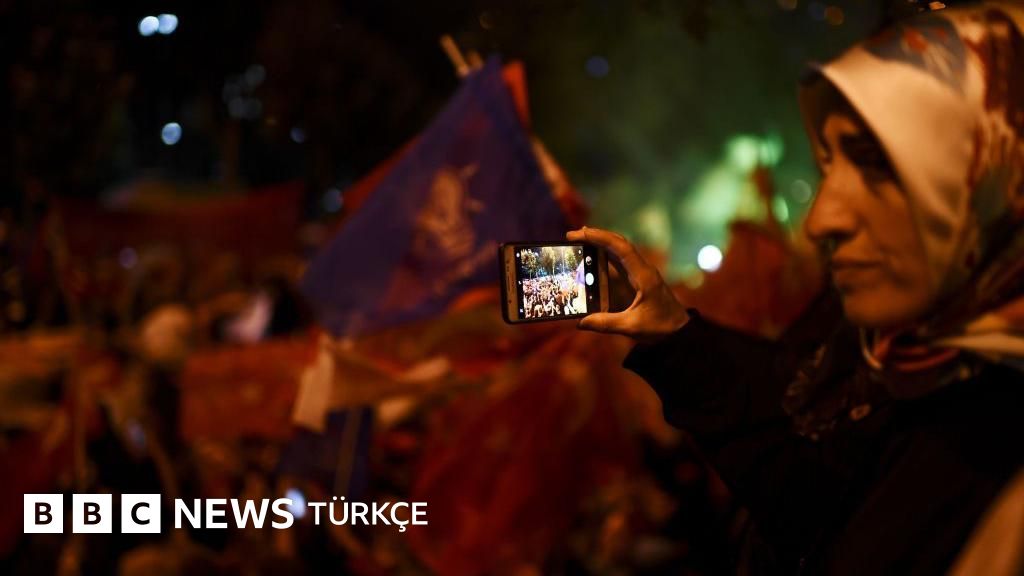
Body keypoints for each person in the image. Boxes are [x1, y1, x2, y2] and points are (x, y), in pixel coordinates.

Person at [570, 3, 1024, 574]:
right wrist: (673, 336)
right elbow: (811, 498)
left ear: (1000, 170)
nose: (821, 220)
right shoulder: (901, 359)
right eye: (829, 167)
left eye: (877, 165)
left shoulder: (1002, 480)